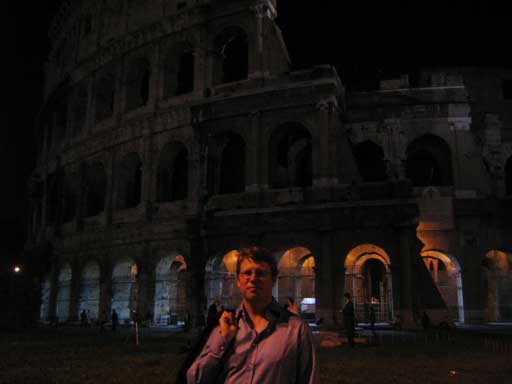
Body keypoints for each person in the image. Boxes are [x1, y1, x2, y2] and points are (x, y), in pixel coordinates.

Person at [186, 246, 318, 384]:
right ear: (238, 280)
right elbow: (195, 379)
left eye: (260, 273)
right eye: (247, 273)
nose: (253, 278)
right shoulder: (224, 327)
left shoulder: (296, 330)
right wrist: (222, 341)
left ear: (273, 279)